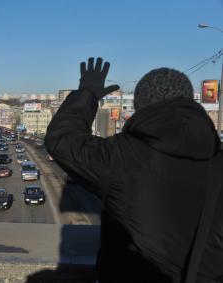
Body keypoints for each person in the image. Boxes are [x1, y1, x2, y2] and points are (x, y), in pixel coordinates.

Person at [45, 58, 223, 283]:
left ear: (140, 106)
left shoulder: (123, 155)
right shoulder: (218, 160)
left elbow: (62, 141)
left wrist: (87, 93)